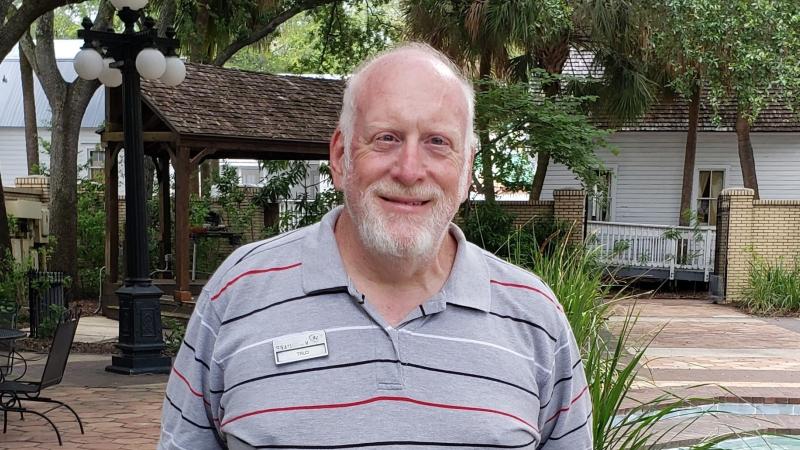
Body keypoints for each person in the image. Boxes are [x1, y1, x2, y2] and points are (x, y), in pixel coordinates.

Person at [159, 43, 592, 450]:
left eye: (437, 142)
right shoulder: (237, 293)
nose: (409, 169)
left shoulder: (535, 318)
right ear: (341, 156)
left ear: (467, 169)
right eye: (386, 137)